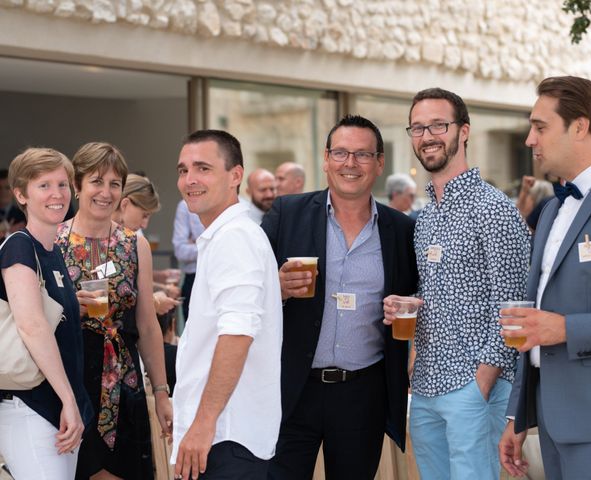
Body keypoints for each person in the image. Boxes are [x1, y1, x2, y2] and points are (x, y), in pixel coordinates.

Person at [498, 76, 591, 479]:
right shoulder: (549, 212)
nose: (530, 139)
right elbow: (534, 324)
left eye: (540, 127)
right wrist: (517, 415)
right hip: (548, 421)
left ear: (580, 127)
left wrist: (566, 329)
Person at [262, 114, 418, 479]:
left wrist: (410, 311)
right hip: (291, 389)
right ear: (326, 158)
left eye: (363, 155)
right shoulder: (287, 214)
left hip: (361, 394)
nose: (351, 164)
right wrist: (277, 289)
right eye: (341, 153)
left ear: (380, 163)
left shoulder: (401, 229)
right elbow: (249, 289)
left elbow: (417, 296)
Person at [385, 88, 530, 480]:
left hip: (474, 386)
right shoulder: (426, 216)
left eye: (438, 125)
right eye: (418, 127)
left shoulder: (494, 208)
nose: (427, 135)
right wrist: (408, 303)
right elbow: (442, 290)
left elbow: (515, 306)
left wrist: (480, 383)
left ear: (463, 131)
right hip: (427, 386)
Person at [56, 142, 172, 480]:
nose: (106, 192)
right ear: (77, 185)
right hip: (69, 380)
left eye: (114, 184)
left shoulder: (133, 244)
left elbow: (148, 326)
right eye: (96, 181)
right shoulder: (53, 242)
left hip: (123, 380)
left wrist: (162, 393)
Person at [171, 130, 283, 480]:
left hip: (226, 437)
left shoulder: (234, 237)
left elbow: (237, 334)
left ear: (235, 176)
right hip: (223, 435)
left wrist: (203, 424)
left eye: (203, 168)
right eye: (183, 169)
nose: (190, 180)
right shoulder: (224, 235)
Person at [0, 148, 92, 479]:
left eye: (63, 184)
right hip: (32, 408)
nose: (57, 194)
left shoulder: (51, 251)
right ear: (21, 194)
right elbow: (32, 325)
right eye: (44, 186)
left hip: (58, 413)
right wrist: (69, 399)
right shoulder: (20, 246)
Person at [112, 173, 180, 316]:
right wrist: (154, 303)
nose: (144, 224)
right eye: (144, 215)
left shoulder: (123, 240)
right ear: (125, 204)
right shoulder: (100, 238)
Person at [172, 199, 204, 322]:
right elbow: (180, 250)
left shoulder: (239, 205)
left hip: (224, 275)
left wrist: (197, 243)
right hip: (194, 278)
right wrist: (212, 245)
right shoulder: (186, 205)